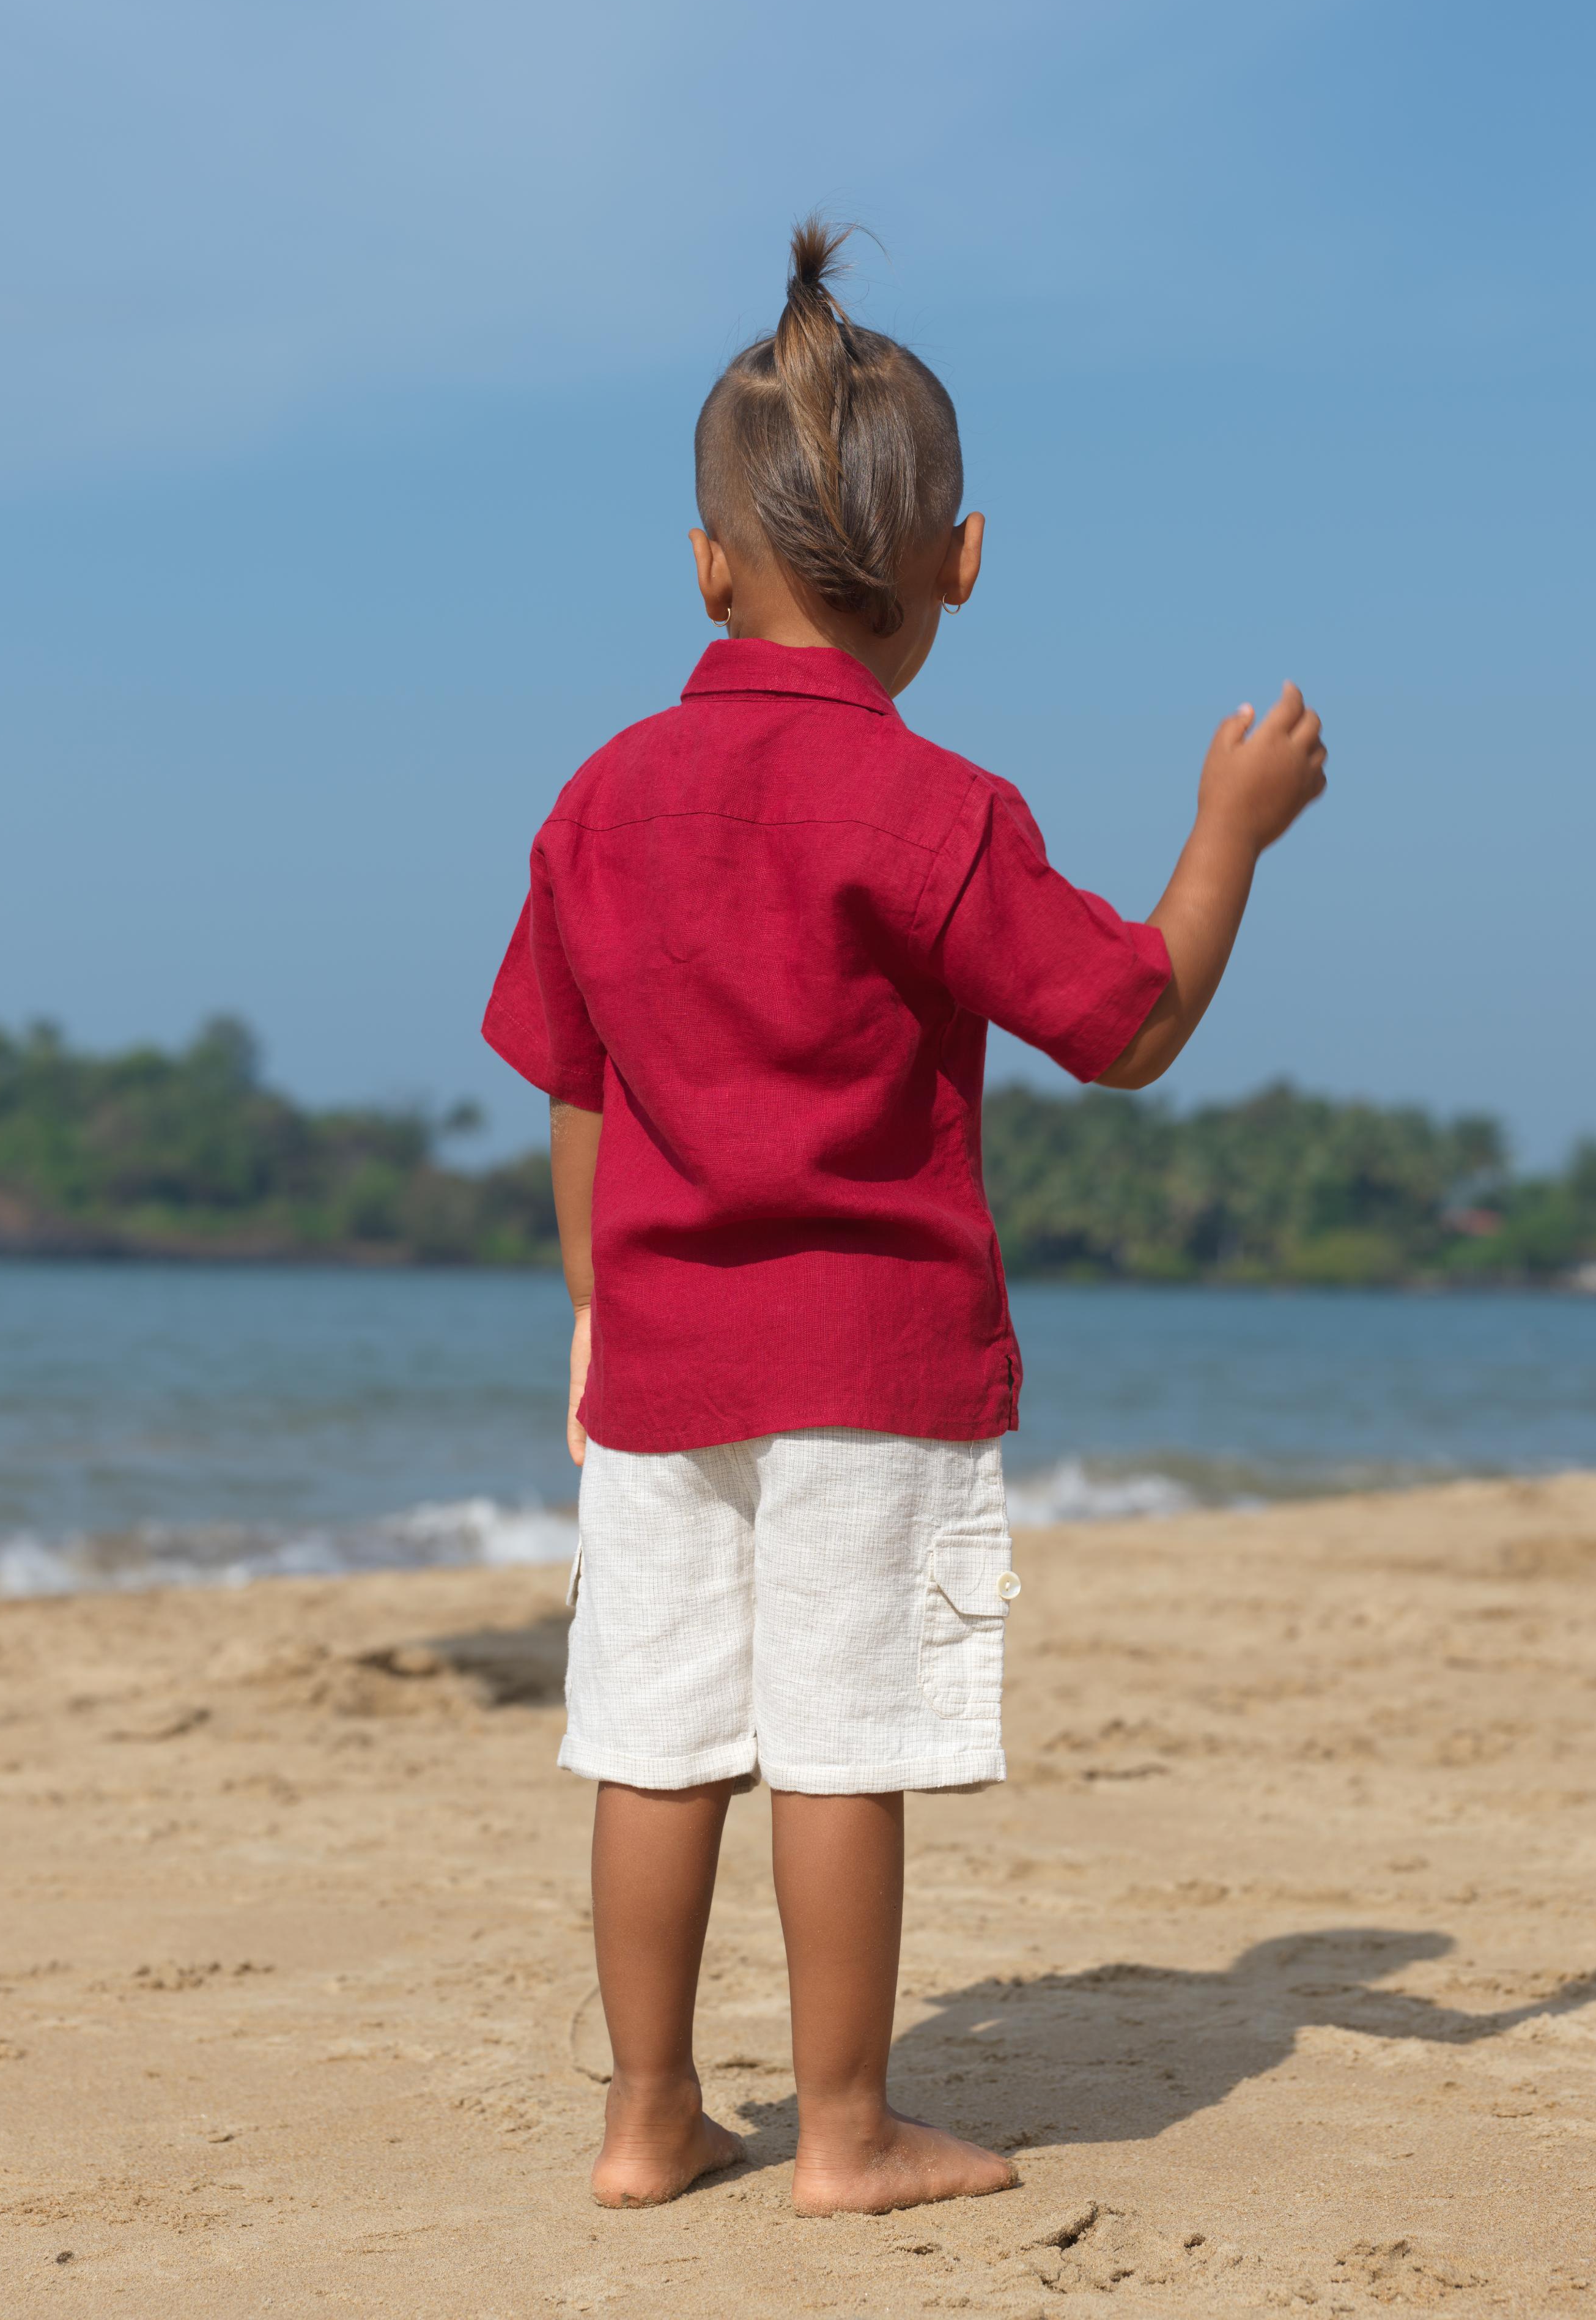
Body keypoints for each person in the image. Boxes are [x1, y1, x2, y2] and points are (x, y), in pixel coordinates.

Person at [482, 218, 1327, 2217]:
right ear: (960, 563)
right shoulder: (935, 811)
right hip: (866, 1362)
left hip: (662, 1364)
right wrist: (1226, 833)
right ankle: (847, 2136)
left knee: (655, 1741)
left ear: (701, 563)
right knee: (838, 1743)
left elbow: (575, 1080)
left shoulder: (602, 799)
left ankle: (645, 2119)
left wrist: (594, 1306)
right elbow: (1121, 1024)